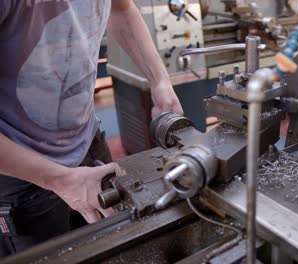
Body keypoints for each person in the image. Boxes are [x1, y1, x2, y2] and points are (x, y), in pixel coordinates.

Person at [0, 0, 183, 257]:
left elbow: (122, 9)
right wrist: (60, 180)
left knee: (116, 247)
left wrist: (159, 80)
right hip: (23, 172)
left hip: (87, 140)